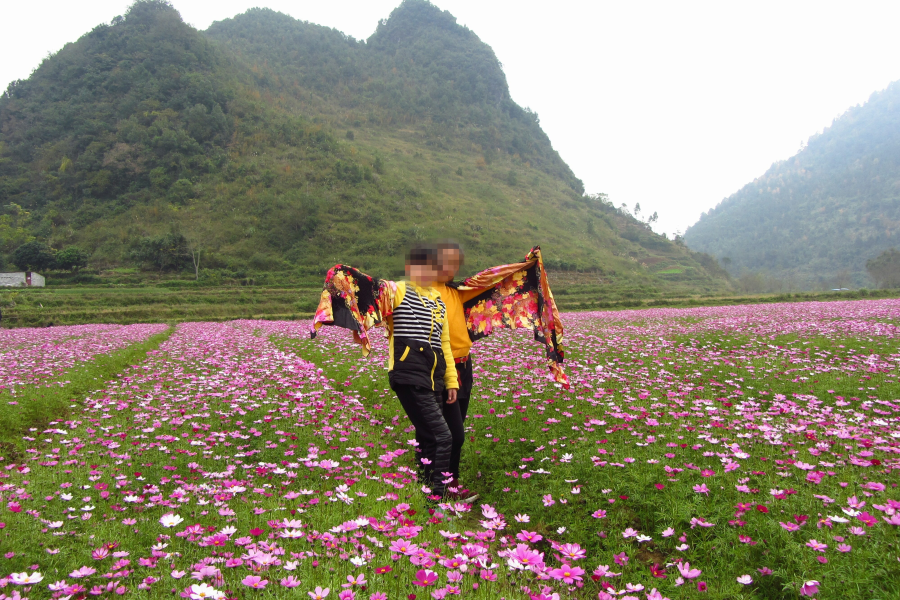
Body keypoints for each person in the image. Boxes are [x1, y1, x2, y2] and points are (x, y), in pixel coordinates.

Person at [432, 242, 482, 490]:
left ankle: (442, 481)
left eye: (454, 263)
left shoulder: (458, 291)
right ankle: (444, 486)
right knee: (452, 434)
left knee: (454, 428)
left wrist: (526, 266)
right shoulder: (423, 293)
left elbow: (494, 284)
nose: (450, 268)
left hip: (464, 366)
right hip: (440, 368)